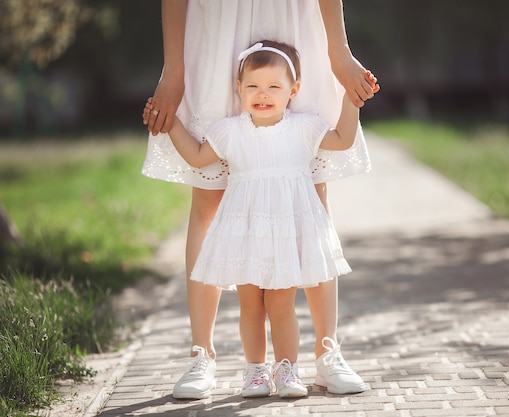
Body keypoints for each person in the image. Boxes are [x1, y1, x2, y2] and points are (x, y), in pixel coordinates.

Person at [141, 0, 379, 399]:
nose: (262, 94)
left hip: (294, 18)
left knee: (312, 199)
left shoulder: (300, 114)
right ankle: (203, 354)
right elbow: (199, 155)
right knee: (208, 200)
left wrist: (339, 52)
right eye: (252, 88)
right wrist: (173, 71)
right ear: (242, 89)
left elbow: (340, 139)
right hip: (216, 25)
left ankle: (325, 352)